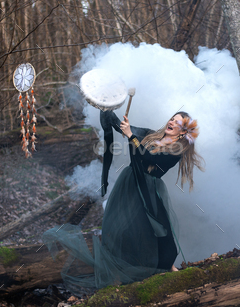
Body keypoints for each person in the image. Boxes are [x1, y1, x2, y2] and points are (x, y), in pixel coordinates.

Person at [42, 110, 205, 294]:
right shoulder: (153, 135)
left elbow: (149, 158)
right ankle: (122, 273)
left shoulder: (177, 150)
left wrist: (130, 136)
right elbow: (130, 130)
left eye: (177, 123)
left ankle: (168, 266)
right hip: (131, 184)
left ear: (183, 132)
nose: (171, 122)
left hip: (149, 189)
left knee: (160, 229)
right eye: (171, 119)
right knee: (127, 228)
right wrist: (112, 117)